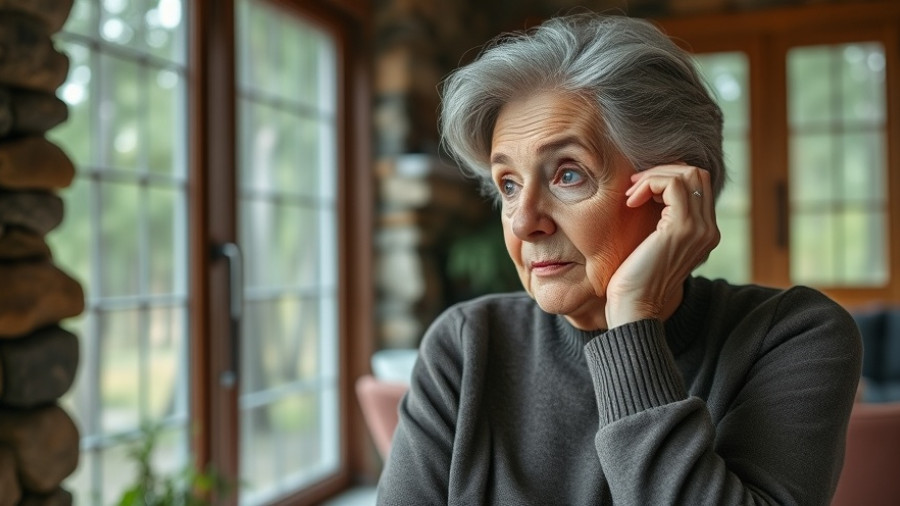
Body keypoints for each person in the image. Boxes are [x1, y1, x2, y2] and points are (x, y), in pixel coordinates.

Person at [377, 12, 862, 506]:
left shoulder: (794, 336)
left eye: (568, 174)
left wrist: (632, 320)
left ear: (670, 190)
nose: (524, 222)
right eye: (508, 184)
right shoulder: (466, 346)